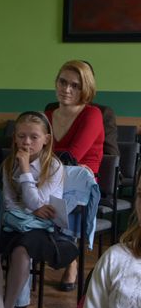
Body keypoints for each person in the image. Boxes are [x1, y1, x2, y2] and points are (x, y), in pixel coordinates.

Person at [0, 111, 77, 308]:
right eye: (21, 136)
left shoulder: (54, 166)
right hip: (13, 221)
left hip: (43, 227)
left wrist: (26, 170)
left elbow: (38, 202)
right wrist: (32, 206)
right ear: (14, 137)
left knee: (21, 250)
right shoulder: (9, 163)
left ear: (46, 139)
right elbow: (9, 202)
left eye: (34, 137)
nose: (27, 142)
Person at [45, 60, 104, 291]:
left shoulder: (92, 114)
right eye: (62, 82)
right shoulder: (47, 115)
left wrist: (43, 161)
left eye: (75, 85)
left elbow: (73, 156)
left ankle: (69, 256)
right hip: (50, 175)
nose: (66, 89)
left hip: (81, 180)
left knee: (63, 189)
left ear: (85, 88)